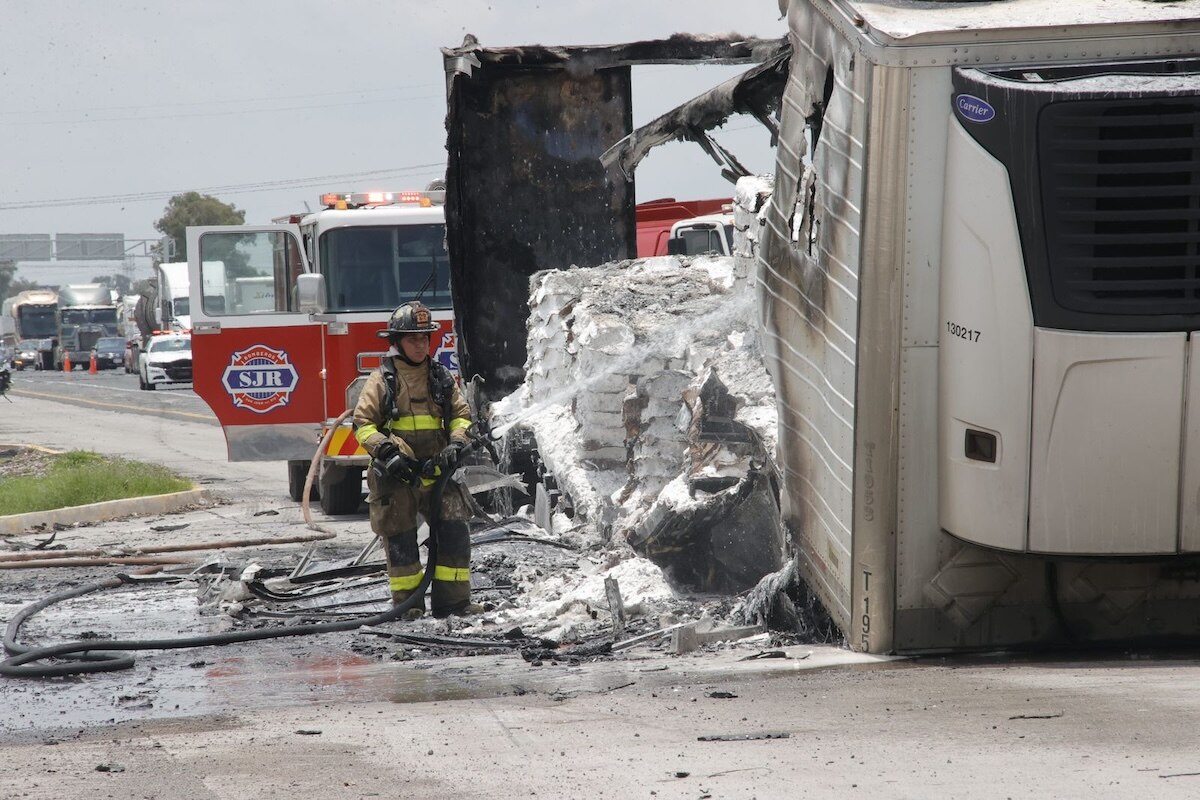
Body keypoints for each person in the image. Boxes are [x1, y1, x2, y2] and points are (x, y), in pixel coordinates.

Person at [352, 300, 482, 619]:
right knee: (401, 541)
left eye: (425, 338)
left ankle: (454, 603)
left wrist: (456, 443)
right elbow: (362, 424)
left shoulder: (440, 377)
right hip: (398, 474)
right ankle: (408, 606)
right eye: (413, 339)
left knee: (454, 530)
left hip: (438, 470)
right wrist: (387, 453)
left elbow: (462, 416)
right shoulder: (383, 380)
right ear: (397, 342)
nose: (421, 344)